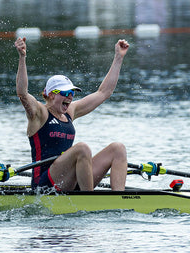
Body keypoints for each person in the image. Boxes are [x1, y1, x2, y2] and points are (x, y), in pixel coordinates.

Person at [14, 37, 130, 192]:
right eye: (66, 92)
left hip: (69, 179)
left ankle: (120, 199)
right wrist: (22, 57)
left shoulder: (70, 111)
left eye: (72, 93)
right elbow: (22, 93)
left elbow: (104, 92)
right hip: (44, 184)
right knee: (82, 148)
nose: (70, 97)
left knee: (118, 148)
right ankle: (88, 200)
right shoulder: (39, 114)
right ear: (51, 94)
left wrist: (118, 58)